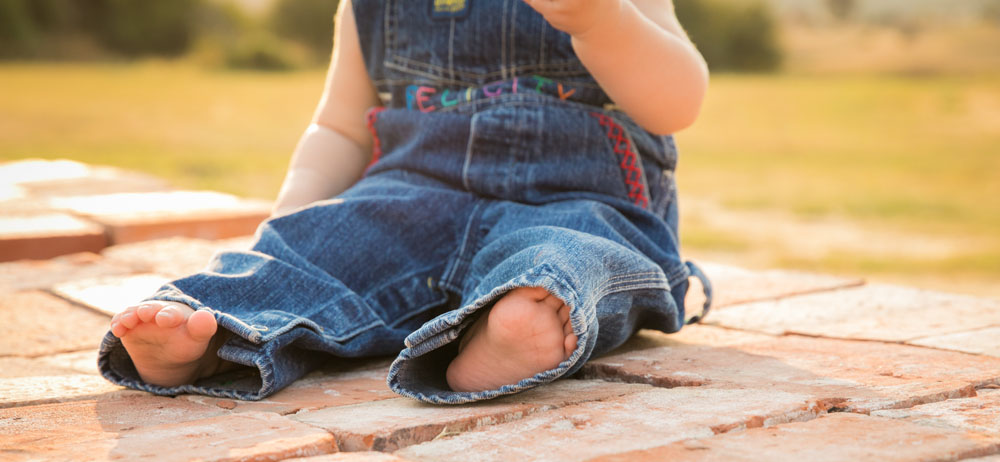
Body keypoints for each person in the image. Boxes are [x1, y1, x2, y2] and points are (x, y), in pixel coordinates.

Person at [98, 0, 713, 405]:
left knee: (575, 254)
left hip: (574, 197)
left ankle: (514, 326)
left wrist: (599, 20)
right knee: (316, 249)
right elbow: (341, 128)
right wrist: (294, 215)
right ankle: (210, 336)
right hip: (412, 200)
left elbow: (676, 102)